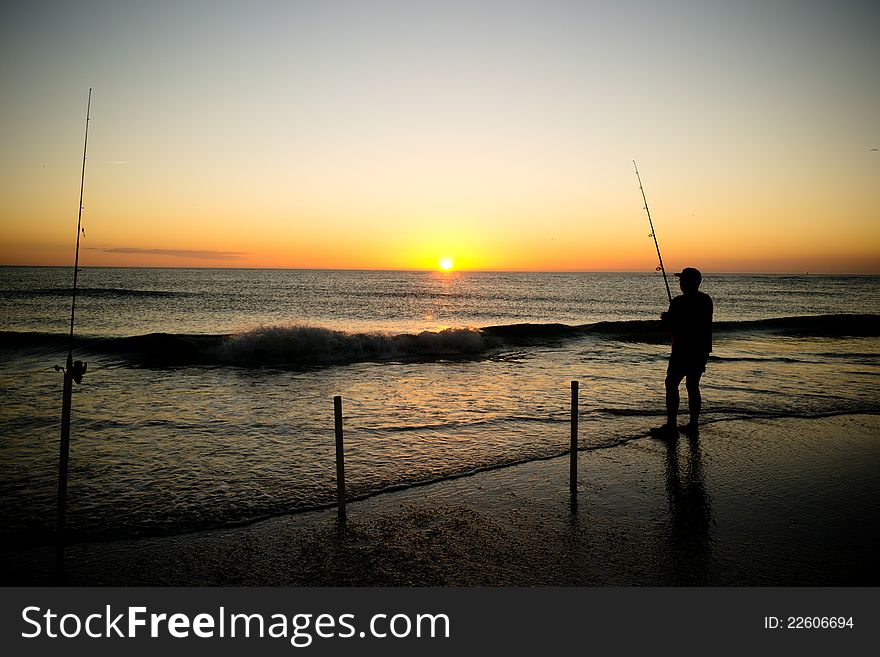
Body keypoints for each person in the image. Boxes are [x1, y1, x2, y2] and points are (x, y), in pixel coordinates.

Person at [653, 267, 713, 438]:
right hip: (701, 350)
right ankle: (693, 424)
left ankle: (671, 426)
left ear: (688, 282)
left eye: (681, 280)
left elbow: (671, 326)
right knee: (692, 386)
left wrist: (666, 319)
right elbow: (696, 323)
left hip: (682, 350)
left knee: (671, 384)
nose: (679, 283)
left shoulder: (679, 302)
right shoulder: (706, 300)